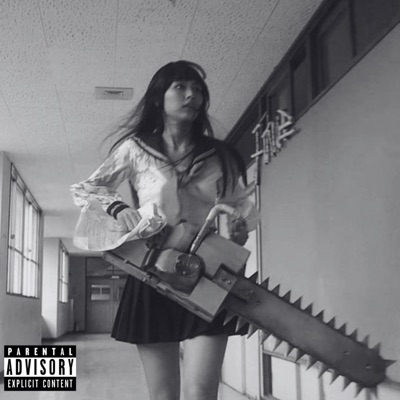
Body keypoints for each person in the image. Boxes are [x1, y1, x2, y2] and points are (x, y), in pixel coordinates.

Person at [71, 60, 259, 400]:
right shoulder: (135, 149)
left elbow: (242, 207)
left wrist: (239, 229)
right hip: (151, 271)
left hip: (208, 272)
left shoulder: (219, 155)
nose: (191, 95)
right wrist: (119, 209)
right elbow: (87, 189)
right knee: (163, 395)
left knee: (202, 393)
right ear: (159, 97)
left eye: (197, 89)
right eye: (180, 87)